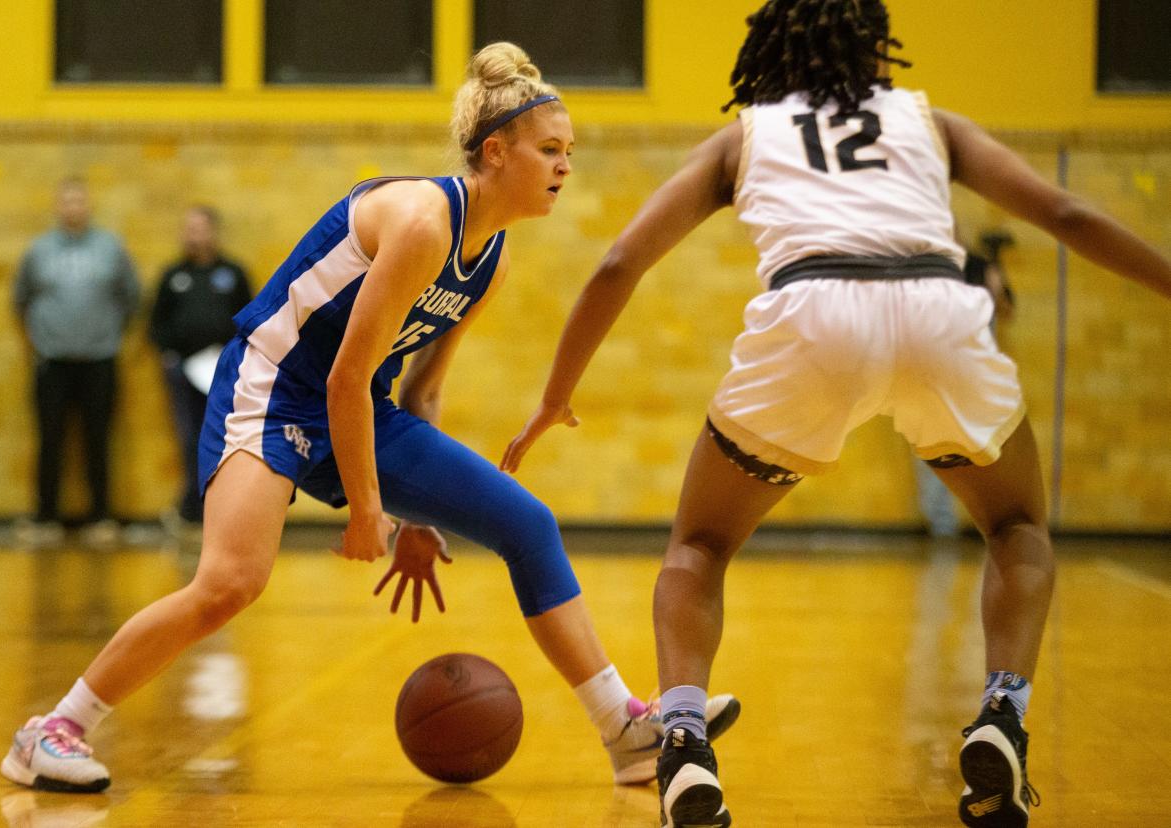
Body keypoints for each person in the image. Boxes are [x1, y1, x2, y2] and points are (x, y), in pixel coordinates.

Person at [0, 43, 740, 796]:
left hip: (361, 407)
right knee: (230, 582)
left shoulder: (492, 259)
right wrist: (369, 507)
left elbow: (417, 395)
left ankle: (623, 729)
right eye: (550, 149)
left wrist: (419, 515)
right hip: (274, 388)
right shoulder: (421, 220)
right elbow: (346, 374)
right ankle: (51, 730)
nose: (565, 166)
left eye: (569, 152)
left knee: (528, 525)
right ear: (496, 149)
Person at [500, 3, 1171, 826]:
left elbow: (617, 262)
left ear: (770, 57)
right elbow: (1068, 216)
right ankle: (1002, 711)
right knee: (1017, 526)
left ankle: (681, 740)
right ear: (872, 50)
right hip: (937, 307)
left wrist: (555, 395)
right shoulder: (931, 121)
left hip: (812, 316)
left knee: (701, 547)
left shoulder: (746, 134)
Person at [13, 178, 141, 545]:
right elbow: (21, 300)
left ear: (88, 205)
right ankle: (45, 517)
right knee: (49, 438)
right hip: (52, 361)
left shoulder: (110, 248)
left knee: (97, 438)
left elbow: (130, 298)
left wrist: (111, 336)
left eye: (79, 200)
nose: (73, 207)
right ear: (58, 206)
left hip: (99, 360)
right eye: (67, 200)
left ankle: (100, 516)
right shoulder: (39, 250)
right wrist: (38, 341)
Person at [149, 206, 252, 529]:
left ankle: (224, 505)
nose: (194, 235)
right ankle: (192, 505)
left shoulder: (233, 273)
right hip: (183, 370)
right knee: (189, 435)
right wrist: (171, 352)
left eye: (200, 228)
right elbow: (156, 324)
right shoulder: (173, 275)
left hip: (223, 371)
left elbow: (250, 319)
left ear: (213, 231)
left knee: (224, 435)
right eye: (189, 228)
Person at [914, 230, 1016, 537]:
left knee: (978, 446)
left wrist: (996, 275)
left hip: (973, 371)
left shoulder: (979, 265)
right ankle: (940, 522)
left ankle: (984, 519)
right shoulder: (928, 266)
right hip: (935, 370)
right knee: (933, 446)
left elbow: (1006, 310)